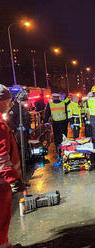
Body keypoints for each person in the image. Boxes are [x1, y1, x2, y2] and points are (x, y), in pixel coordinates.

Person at [0, 84, 23, 248]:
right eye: (8, 101)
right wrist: (13, 179)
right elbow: (2, 157)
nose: (10, 104)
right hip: (2, 181)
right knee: (2, 218)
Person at [44, 92, 67, 165]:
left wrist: (45, 122)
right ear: (59, 97)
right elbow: (67, 112)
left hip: (56, 123)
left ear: (53, 97)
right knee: (64, 137)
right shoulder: (63, 103)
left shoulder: (50, 104)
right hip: (64, 123)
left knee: (57, 138)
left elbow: (47, 113)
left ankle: (58, 152)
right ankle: (65, 150)